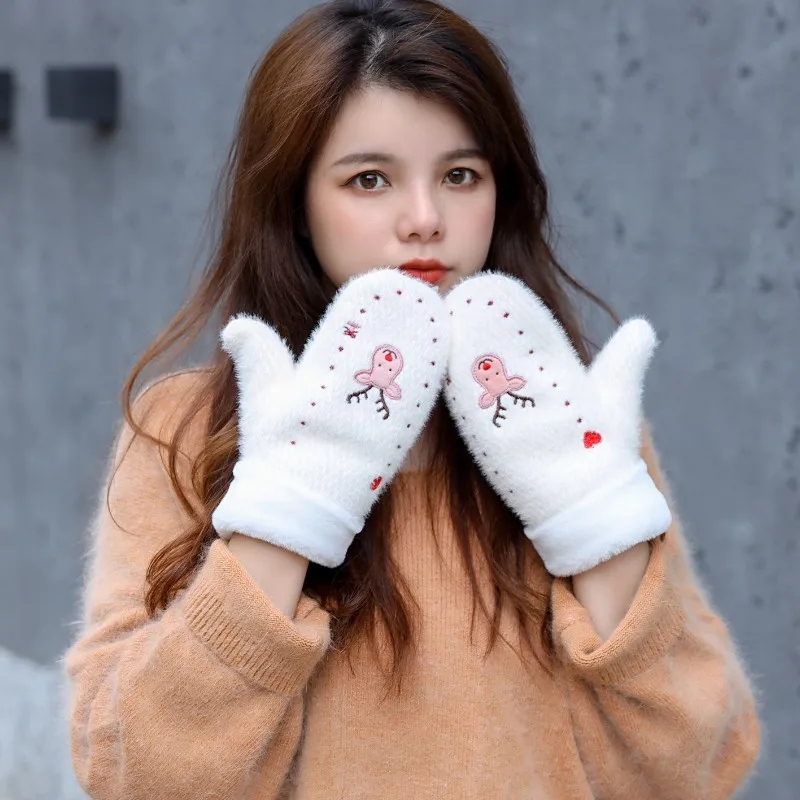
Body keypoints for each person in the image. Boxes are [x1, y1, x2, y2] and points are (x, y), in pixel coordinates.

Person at [63, 1, 761, 797]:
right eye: (369, 179)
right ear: (295, 204)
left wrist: (589, 510)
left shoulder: (572, 420)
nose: (426, 220)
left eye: (461, 176)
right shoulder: (188, 430)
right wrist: (290, 505)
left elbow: (700, 762)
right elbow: (133, 773)